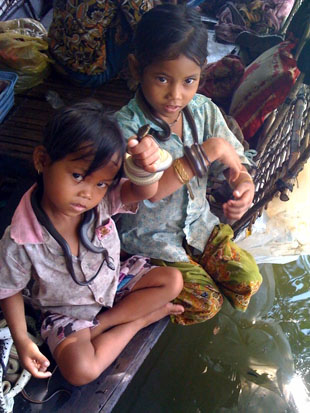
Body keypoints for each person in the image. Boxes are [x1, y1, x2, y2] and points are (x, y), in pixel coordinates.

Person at [0, 100, 185, 386]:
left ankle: (106, 325)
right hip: (66, 312)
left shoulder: (102, 203)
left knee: (172, 281)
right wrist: (23, 340)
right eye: (78, 176)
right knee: (80, 371)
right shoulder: (20, 239)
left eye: (100, 183)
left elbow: (145, 191)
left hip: (112, 285)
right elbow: (8, 289)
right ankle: (138, 321)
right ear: (42, 161)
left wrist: (144, 166)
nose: (88, 193)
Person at [115, 3, 263, 325]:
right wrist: (207, 151)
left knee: (249, 279)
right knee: (206, 302)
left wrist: (244, 185)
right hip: (149, 241)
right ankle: (131, 295)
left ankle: (200, 278)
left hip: (200, 227)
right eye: (162, 79)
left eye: (189, 81)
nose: (176, 95)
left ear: (201, 74)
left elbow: (236, 161)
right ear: (136, 68)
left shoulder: (203, 110)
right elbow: (151, 192)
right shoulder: (127, 129)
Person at [48, 0, 153, 87]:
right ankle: (133, 74)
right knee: (150, 26)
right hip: (89, 75)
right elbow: (152, 27)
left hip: (56, 55)